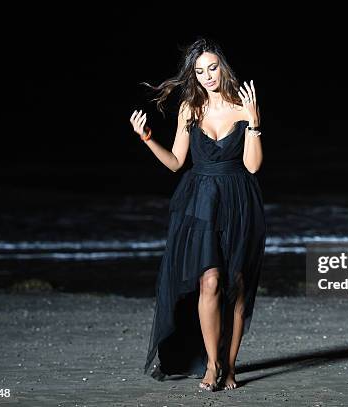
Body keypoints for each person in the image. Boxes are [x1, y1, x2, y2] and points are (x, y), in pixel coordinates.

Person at [129, 37, 266, 392]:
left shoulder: (243, 105)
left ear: (223, 65)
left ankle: (231, 367)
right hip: (201, 203)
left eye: (212, 67)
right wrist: (147, 138)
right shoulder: (189, 107)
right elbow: (176, 162)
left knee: (236, 287)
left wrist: (253, 122)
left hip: (239, 201)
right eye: (199, 71)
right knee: (209, 282)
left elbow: (252, 166)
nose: (207, 76)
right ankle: (212, 364)